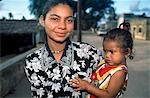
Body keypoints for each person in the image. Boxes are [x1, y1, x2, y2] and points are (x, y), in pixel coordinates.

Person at [24, 0, 103, 98]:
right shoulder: (32, 61)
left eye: (69, 20)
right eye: (55, 19)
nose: (62, 26)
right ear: (42, 21)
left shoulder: (91, 55)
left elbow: (110, 89)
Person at [69, 28, 134, 98]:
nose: (107, 55)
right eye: (105, 51)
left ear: (127, 52)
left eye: (112, 52)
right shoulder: (105, 64)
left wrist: (87, 86)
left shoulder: (119, 72)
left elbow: (109, 95)